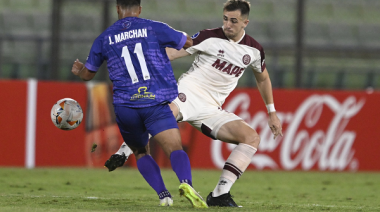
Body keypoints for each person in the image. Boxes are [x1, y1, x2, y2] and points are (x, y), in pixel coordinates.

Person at [105, 0, 283, 207]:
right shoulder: (209, 37)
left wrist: (272, 112)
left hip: (211, 109)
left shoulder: (254, 50)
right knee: (164, 115)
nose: (227, 25)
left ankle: (219, 194)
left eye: (233, 21)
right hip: (188, 92)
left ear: (245, 22)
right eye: (225, 19)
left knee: (251, 138)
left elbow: (263, 78)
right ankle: (125, 150)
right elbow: (172, 52)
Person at [71, 0, 208, 208]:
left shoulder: (104, 38)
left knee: (141, 151)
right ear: (140, 9)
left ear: (117, 9)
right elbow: (189, 43)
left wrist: (79, 70)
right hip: (155, 102)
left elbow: (87, 75)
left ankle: (164, 195)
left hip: (126, 107)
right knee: (175, 147)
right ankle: (186, 183)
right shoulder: (155, 27)